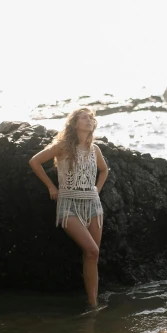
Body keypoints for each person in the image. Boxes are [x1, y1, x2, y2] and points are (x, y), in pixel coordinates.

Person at [29, 107, 109, 308]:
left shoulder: (95, 149)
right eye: (83, 118)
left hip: (93, 206)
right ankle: (93, 304)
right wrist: (51, 186)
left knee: (92, 255)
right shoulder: (63, 146)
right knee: (91, 250)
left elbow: (104, 170)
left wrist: (96, 190)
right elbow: (35, 161)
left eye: (91, 118)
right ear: (74, 124)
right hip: (69, 205)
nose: (88, 120)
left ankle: (93, 304)